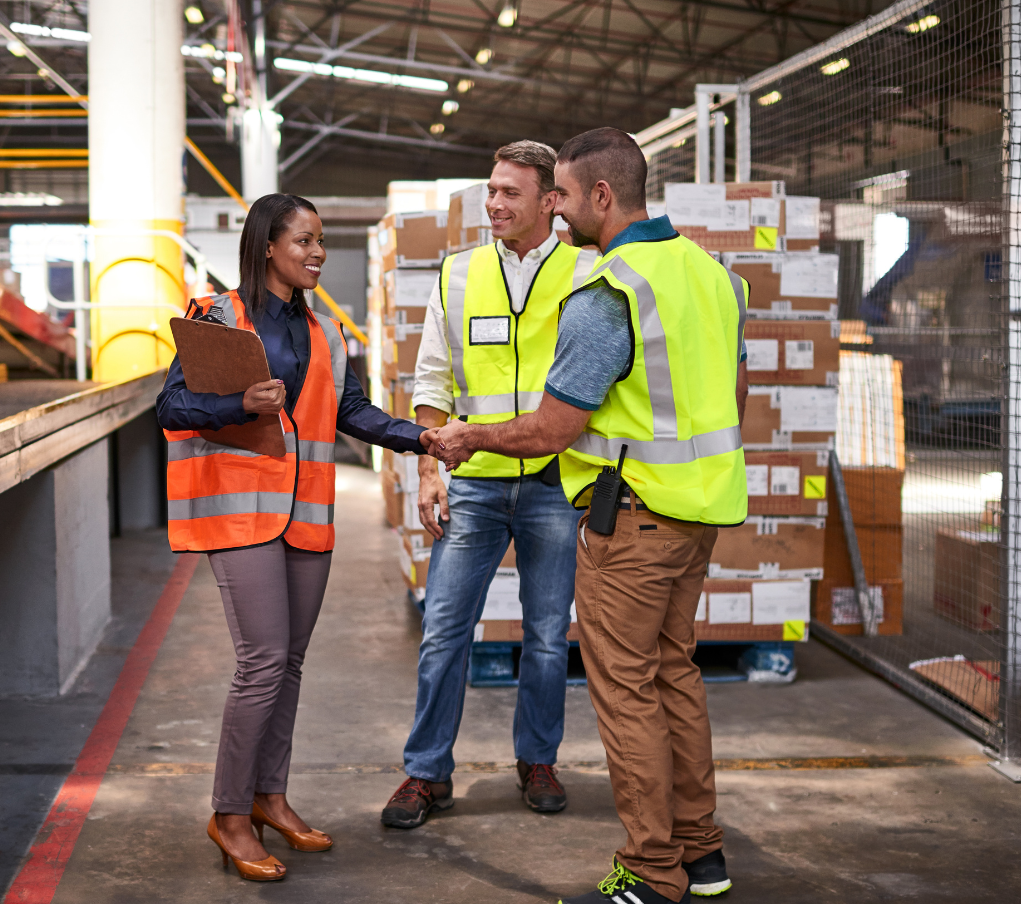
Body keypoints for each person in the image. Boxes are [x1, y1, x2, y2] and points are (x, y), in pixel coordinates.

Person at [431, 128, 750, 904]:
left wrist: (466, 436)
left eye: (563, 196)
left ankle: (650, 871)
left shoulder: (612, 290)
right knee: (676, 677)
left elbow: (550, 429)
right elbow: (732, 398)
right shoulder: (711, 275)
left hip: (632, 519)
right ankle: (702, 855)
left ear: (601, 196)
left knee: (627, 693)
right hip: (696, 515)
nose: (557, 210)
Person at [157, 193, 435, 882]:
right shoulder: (218, 315)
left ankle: (268, 797)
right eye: (304, 241)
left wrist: (423, 438)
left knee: (290, 664)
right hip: (240, 514)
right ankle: (227, 814)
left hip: (306, 515)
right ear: (269, 246)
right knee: (262, 660)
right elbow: (171, 405)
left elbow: (352, 412)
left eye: (319, 241)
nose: (316, 253)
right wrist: (236, 405)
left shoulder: (326, 333)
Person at [380, 141, 599, 830]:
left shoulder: (588, 273)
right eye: (491, 191)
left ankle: (538, 759)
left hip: (551, 484)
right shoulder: (459, 271)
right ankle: (426, 772)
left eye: (510, 193)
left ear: (549, 201)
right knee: (444, 629)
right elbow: (433, 378)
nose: (495, 204)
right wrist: (426, 469)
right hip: (472, 481)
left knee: (543, 634)